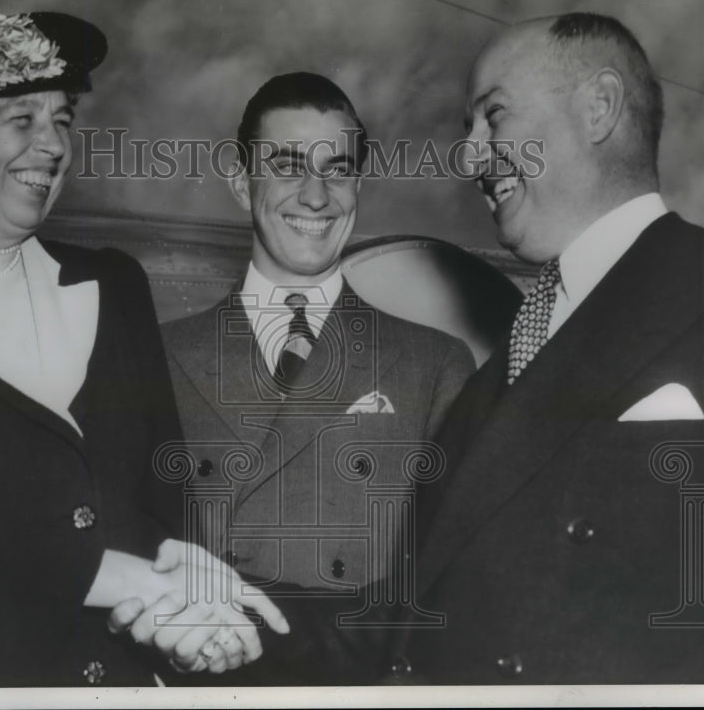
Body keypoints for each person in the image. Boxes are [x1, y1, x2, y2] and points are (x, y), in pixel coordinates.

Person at [0, 0, 285, 688]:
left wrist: (185, 619)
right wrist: (115, 576)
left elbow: (165, 504)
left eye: (62, 118)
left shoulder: (113, 284)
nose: (55, 144)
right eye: (22, 119)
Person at [112, 72, 475, 682]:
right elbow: (121, 549)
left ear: (358, 181)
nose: (316, 195)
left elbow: (450, 582)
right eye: (286, 165)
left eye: (337, 168)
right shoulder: (154, 356)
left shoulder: (435, 364)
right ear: (238, 179)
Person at [381, 12, 704, 684]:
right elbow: (404, 615)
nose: (469, 156)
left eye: (493, 117)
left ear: (599, 108)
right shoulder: (501, 368)